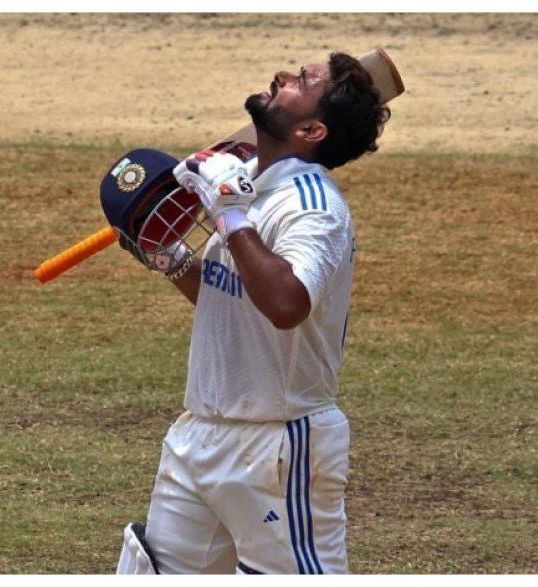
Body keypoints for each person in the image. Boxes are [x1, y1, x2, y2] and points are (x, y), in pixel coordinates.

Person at [116, 51, 391, 575]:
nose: (283, 76)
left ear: (311, 129)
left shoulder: (314, 207)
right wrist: (171, 259)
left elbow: (285, 305)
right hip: (199, 434)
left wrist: (230, 214)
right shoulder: (244, 181)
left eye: (302, 80)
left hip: (278, 449)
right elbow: (235, 300)